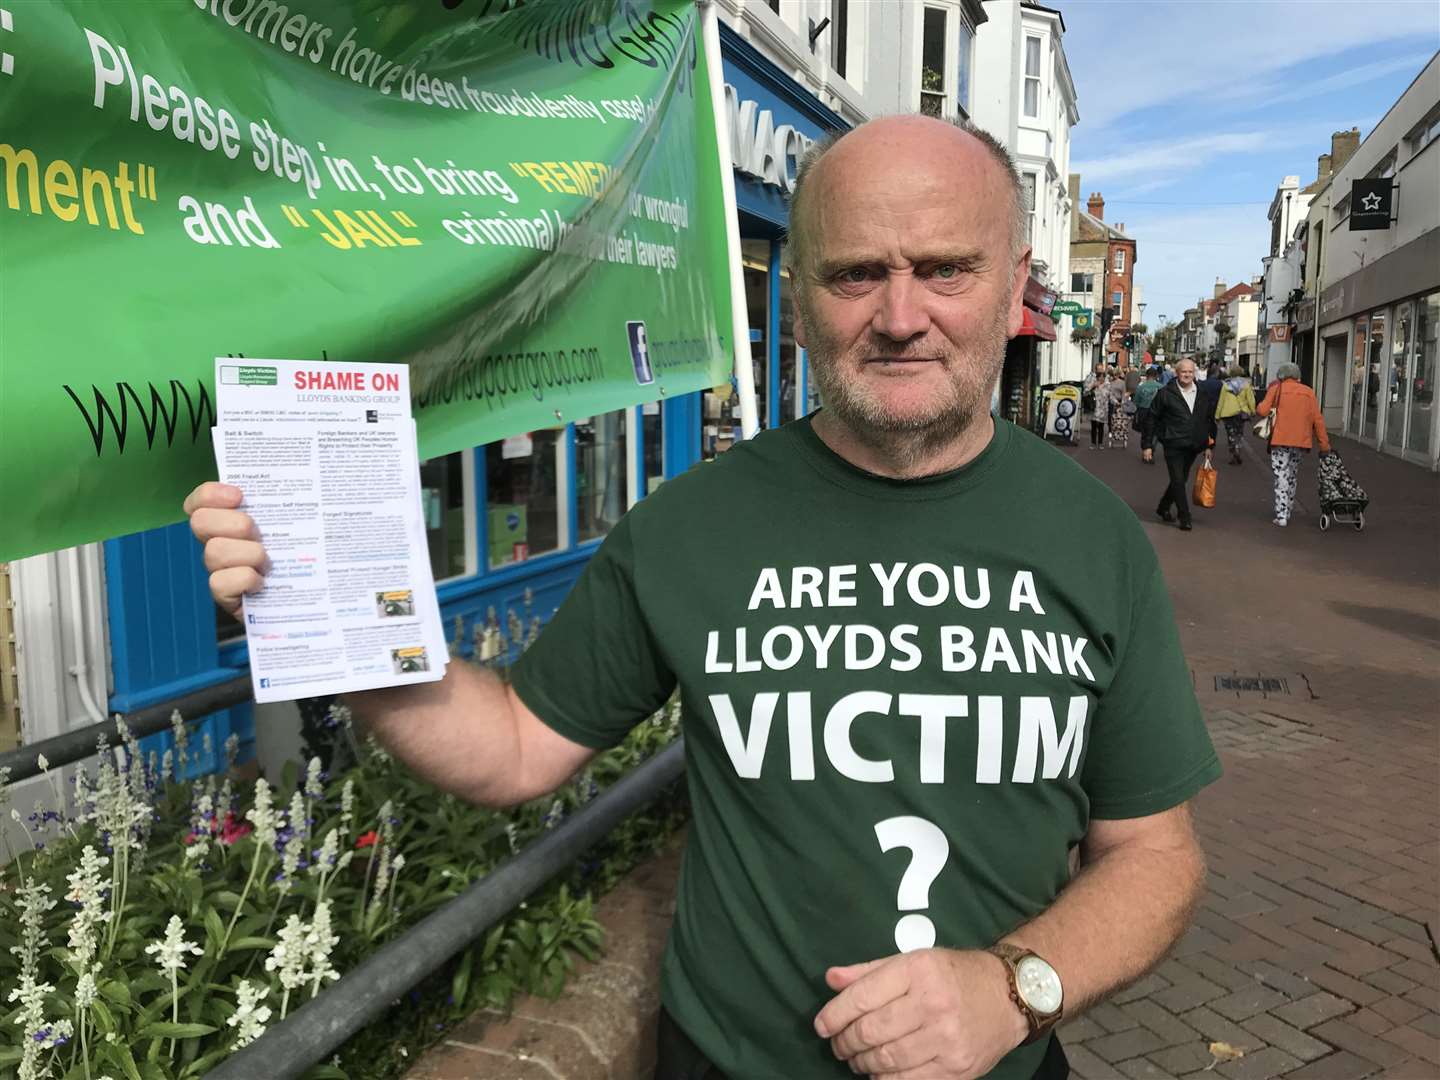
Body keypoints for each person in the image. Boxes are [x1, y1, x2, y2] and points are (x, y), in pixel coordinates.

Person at [185, 116, 1220, 1080]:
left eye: (945, 268)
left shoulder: (1092, 538)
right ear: (802, 297)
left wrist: (1013, 988)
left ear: (1013, 285)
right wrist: (331, 617)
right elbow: (511, 748)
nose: (901, 316)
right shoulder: (691, 525)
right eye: (856, 274)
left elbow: (1156, 856)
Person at [1143, 358, 1218, 531]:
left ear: (1194, 373)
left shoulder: (1202, 393)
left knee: (1181, 479)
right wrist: (1147, 445)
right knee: (1177, 479)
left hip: (1193, 444)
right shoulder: (1165, 393)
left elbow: (1209, 420)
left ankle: (1163, 507)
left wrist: (1209, 445)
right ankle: (1185, 516)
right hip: (1173, 443)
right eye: (1183, 372)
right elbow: (1152, 418)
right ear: (1177, 373)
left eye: (1190, 372)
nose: (1187, 375)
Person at [1255, 361, 1331, 527]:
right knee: (1292, 474)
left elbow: (1262, 410)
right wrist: (1324, 444)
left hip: (1280, 439)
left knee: (1280, 474)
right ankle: (1288, 508)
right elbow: (1318, 420)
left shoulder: (1276, 389)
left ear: (1281, 375)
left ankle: (1281, 514)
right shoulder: (1308, 392)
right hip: (1300, 441)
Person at [1214, 365, 1257, 466]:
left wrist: (1217, 415)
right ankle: (1238, 448)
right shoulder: (1246, 385)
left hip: (1228, 413)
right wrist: (1252, 410)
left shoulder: (1226, 385)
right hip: (1241, 412)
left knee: (1230, 433)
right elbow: (1251, 399)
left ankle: (1233, 450)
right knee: (1239, 433)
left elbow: (1221, 401)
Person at [1132, 366, 1162, 463]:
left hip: (1143, 411)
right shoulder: (1161, 387)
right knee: (1155, 433)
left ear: (1146, 375)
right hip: (1157, 413)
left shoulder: (1141, 387)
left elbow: (1136, 401)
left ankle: (1145, 451)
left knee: (1144, 432)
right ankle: (1151, 451)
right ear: (1156, 376)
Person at [1083, 366, 1108, 449]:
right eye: (1100, 370)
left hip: (1103, 408)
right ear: (1096, 370)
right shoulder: (1091, 378)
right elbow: (1085, 391)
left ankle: (1100, 443)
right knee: (1093, 426)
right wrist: (1093, 386)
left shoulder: (1106, 381)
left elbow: (1110, 393)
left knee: (1101, 426)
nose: (1101, 371)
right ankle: (1093, 443)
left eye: (1102, 369)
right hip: (1094, 406)